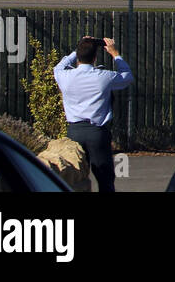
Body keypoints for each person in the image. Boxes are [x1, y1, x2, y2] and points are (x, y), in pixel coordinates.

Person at [53, 36, 134, 193]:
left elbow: (59, 66)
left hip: (74, 132)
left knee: (74, 178)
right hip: (97, 132)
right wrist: (115, 53)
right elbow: (127, 76)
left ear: (78, 57)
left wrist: (78, 48)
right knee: (105, 180)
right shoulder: (104, 77)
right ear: (95, 58)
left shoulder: (64, 76)